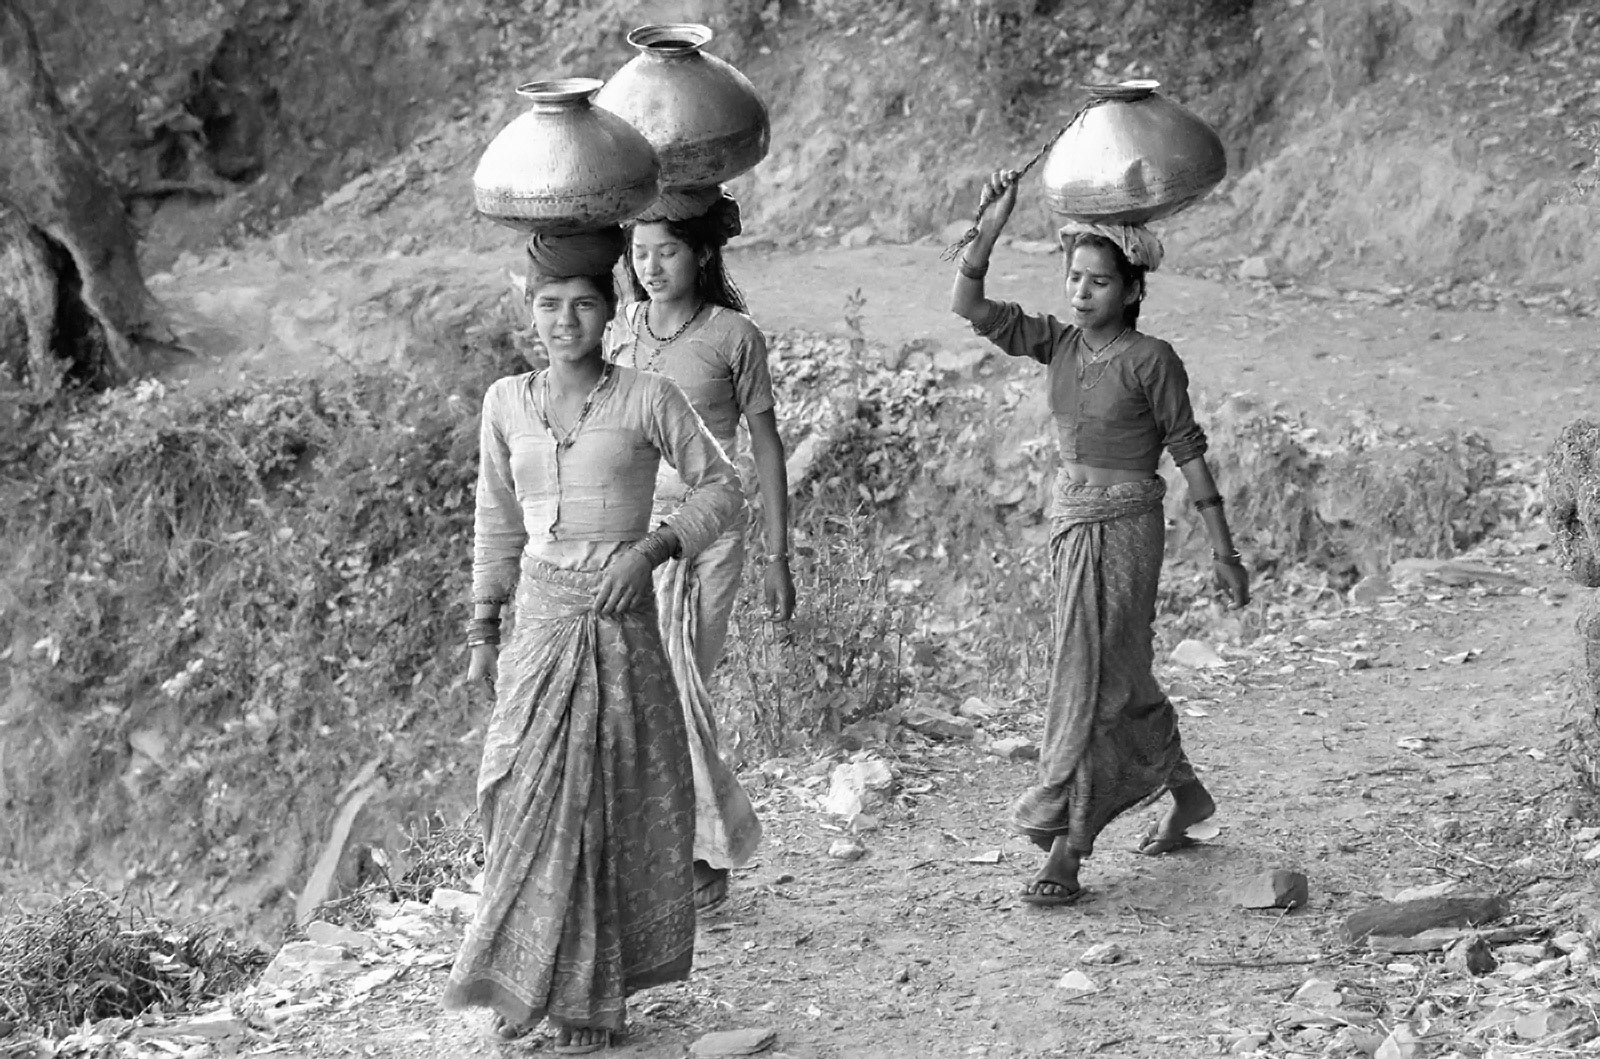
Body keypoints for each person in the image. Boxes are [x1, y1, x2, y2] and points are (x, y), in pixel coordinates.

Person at [443, 226, 746, 1053]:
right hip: (540, 623)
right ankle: (523, 978)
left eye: (582, 303)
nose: (564, 319)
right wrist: (482, 625)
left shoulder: (649, 397)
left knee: (609, 803)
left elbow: (726, 488)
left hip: (621, 623)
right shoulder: (505, 402)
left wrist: (652, 548)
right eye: (548, 305)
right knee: (524, 799)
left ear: (610, 312)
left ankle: (588, 999)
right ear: (529, 313)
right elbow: (495, 522)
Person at [949, 169, 1251, 907]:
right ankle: (1189, 794)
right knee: (1121, 673)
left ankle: (1069, 844)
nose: (1082, 293)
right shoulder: (1058, 345)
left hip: (1127, 526)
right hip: (1071, 522)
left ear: (1132, 290)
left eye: (1099, 282)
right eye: (1074, 279)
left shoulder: (1153, 361)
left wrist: (1223, 550)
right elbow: (968, 303)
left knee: (1093, 678)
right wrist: (992, 223)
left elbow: (1188, 450)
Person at [606, 186, 794, 912]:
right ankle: (686, 849)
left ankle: (704, 857)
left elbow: (767, 449)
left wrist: (780, 557)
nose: (651, 266)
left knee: (679, 687)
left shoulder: (732, 337)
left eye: (669, 251)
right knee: (639, 695)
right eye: (640, 252)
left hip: (706, 534)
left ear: (703, 254)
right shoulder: (618, 329)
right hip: (628, 536)